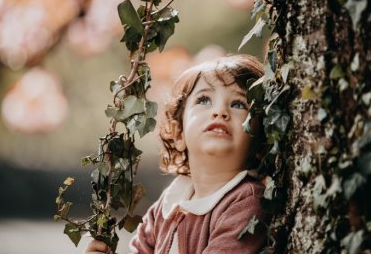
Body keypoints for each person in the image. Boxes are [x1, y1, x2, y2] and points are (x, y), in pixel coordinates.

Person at [84, 54, 267, 254]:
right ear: (178, 133)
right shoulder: (170, 203)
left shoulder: (246, 203)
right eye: (204, 100)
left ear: (258, 137)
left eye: (238, 104)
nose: (220, 111)